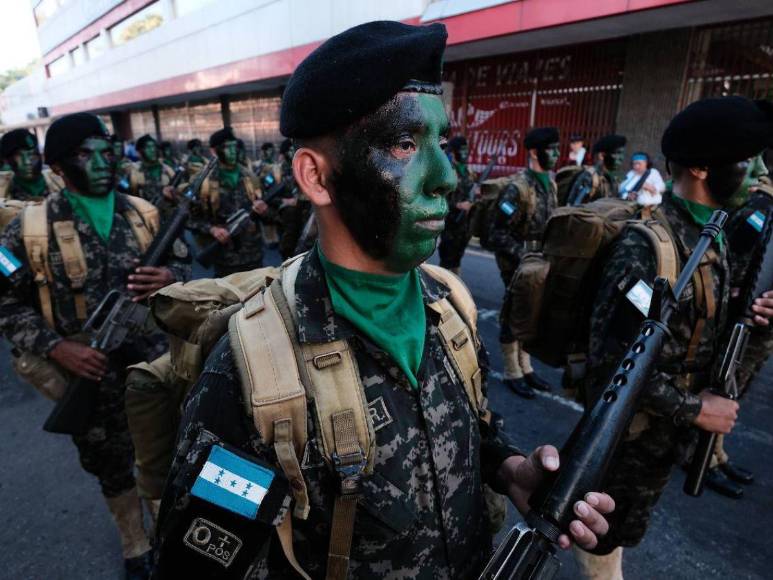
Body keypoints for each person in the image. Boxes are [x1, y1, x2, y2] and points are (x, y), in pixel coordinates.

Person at [153, 20, 614, 580]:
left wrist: (511, 469)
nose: (447, 176)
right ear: (317, 178)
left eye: (440, 143)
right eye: (403, 143)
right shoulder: (255, 371)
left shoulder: (449, 307)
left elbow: (470, 429)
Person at [575, 96, 773, 578]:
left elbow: (700, 323)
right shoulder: (647, 249)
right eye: (745, 164)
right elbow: (612, 370)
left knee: (623, 531)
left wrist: (752, 316)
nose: (754, 177)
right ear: (702, 168)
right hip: (630, 437)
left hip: (663, 437)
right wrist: (696, 409)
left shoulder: (712, 235)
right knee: (602, 534)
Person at [0, 113, 190, 580]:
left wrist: (171, 280)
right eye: (87, 155)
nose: (103, 163)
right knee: (110, 466)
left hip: (153, 366)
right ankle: (135, 543)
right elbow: (5, 300)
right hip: (86, 369)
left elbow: (186, 273)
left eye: (107, 152)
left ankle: (166, 537)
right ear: (59, 169)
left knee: (162, 454)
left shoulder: (143, 213)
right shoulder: (30, 228)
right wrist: (55, 347)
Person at [700, 154, 773, 498]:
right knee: (726, 387)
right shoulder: (761, 208)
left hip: (763, 324)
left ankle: (718, 452)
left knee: (738, 390)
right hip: (745, 319)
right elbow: (731, 261)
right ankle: (704, 458)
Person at [488, 127, 558, 399]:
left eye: (556, 148)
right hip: (516, 263)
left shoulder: (550, 183)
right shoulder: (517, 188)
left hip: (539, 262)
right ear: (533, 152)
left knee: (532, 313)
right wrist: (523, 257)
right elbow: (496, 233)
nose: (556, 154)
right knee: (513, 314)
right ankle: (511, 371)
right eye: (550, 149)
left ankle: (526, 366)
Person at [189, 127, 269, 277]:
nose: (233, 151)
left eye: (234, 146)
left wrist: (264, 211)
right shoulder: (202, 182)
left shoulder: (250, 177)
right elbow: (191, 219)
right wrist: (212, 229)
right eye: (227, 147)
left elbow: (269, 215)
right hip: (225, 258)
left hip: (253, 255)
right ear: (214, 151)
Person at [437, 135, 475, 274]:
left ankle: (455, 290)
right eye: (461, 150)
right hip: (449, 222)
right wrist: (458, 205)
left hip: (464, 225)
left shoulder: (469, 172)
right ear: (453, 152)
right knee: (447, 260)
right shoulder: (446, 171)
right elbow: (438, 197)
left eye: (466, 150)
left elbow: (470, 194)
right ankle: (443, 291)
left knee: (457, 259)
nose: (465, 153)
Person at [0, 129, 63, 201]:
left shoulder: (61, 180)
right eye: (18, 156)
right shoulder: (3, 189)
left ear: (41, 156)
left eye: (32, 154)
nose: (27, 162)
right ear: (7, 160)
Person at [566, 134, 626, 205]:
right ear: (602, 156)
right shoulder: (589, 177)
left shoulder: (614, 179)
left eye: (622, 153)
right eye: (617, 153)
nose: (621, 158)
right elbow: (574, 208)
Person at [129, 134, 176, 205]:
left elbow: (179, 193)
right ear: (139, 152)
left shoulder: (167, 170)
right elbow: (132, 197)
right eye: (148, 147)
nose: (152, 150)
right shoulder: (135, 173)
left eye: (154, 146)